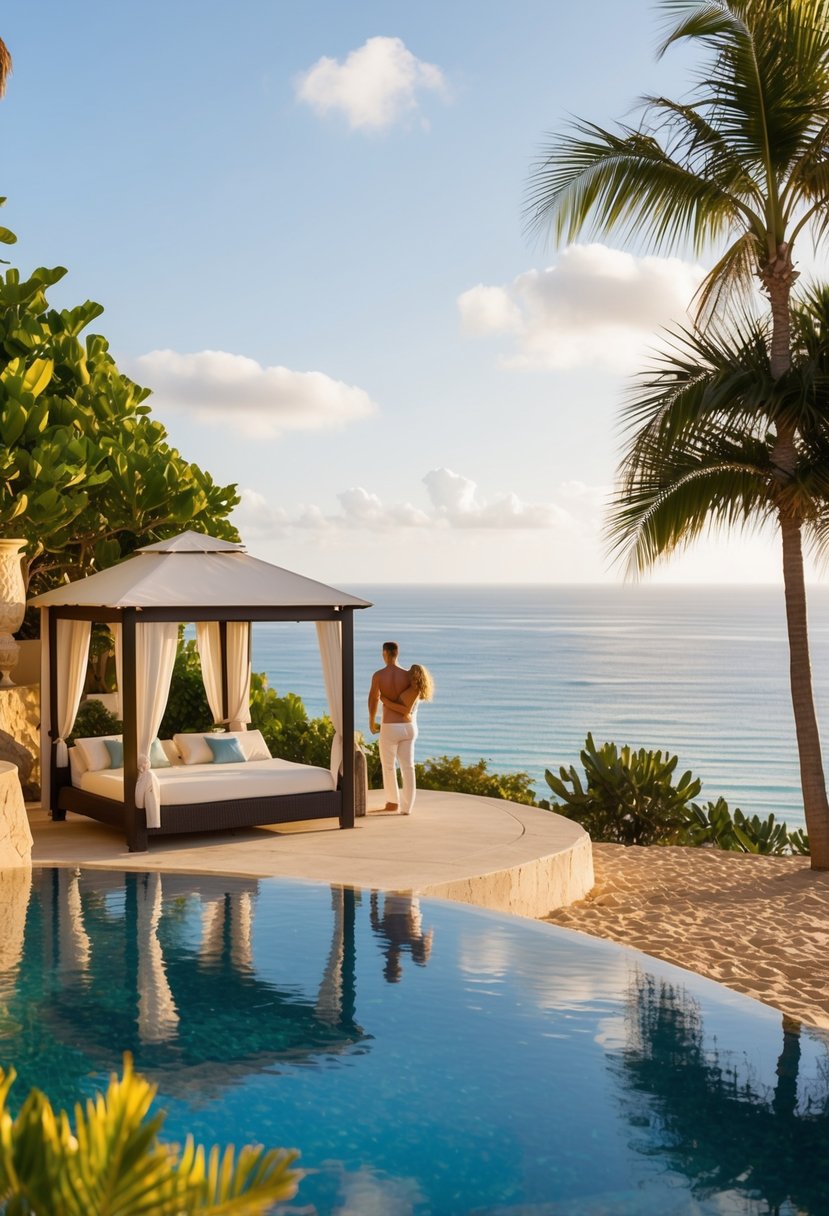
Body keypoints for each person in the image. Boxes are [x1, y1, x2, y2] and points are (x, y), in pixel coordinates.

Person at [368, 645, 434, 815]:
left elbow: (373, 700)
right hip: (409, 728)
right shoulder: (409, 676)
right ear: (398, 653)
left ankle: (392, 803)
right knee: (408, 767)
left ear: (384, 653)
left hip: (390, 728)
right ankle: (407, 808)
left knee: (389, 766)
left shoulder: (378, 675)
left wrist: (372, 720)